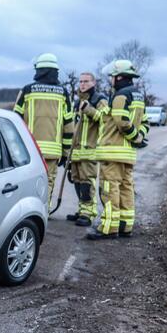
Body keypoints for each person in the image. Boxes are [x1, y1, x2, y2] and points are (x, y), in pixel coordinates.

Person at [87, 60, 149, 240]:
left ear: (120, 77)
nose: (111, 80)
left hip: (113, 152)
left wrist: (135, 137)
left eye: (113, 76)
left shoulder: (120, 95)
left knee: (109, 189)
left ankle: (109, 228)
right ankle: (125, 226)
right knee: (126, 188)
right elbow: (145, 122)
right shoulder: (138, 95)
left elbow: (121, 121)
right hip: (128, 154)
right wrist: (138, 137)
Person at [13, 53, 74, 201]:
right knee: (48, 182)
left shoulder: (27, 90)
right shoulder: (63, 93)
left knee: (27, 182)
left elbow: (15, 119)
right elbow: (69, 126)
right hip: (53, 151)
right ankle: (44, 212)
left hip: (29, 150)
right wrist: (66, 153)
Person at [67, 72, 108, 226]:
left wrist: (89, 110)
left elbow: (104, 120)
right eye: (81, 81)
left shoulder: (100, 99)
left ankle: (89, 213)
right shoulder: (78, 102)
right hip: (76, 150)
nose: (82, 84)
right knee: (77, 181)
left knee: (87, 182)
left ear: (93, 83)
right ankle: (81, 210)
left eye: (86, 81)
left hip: (90, 149)